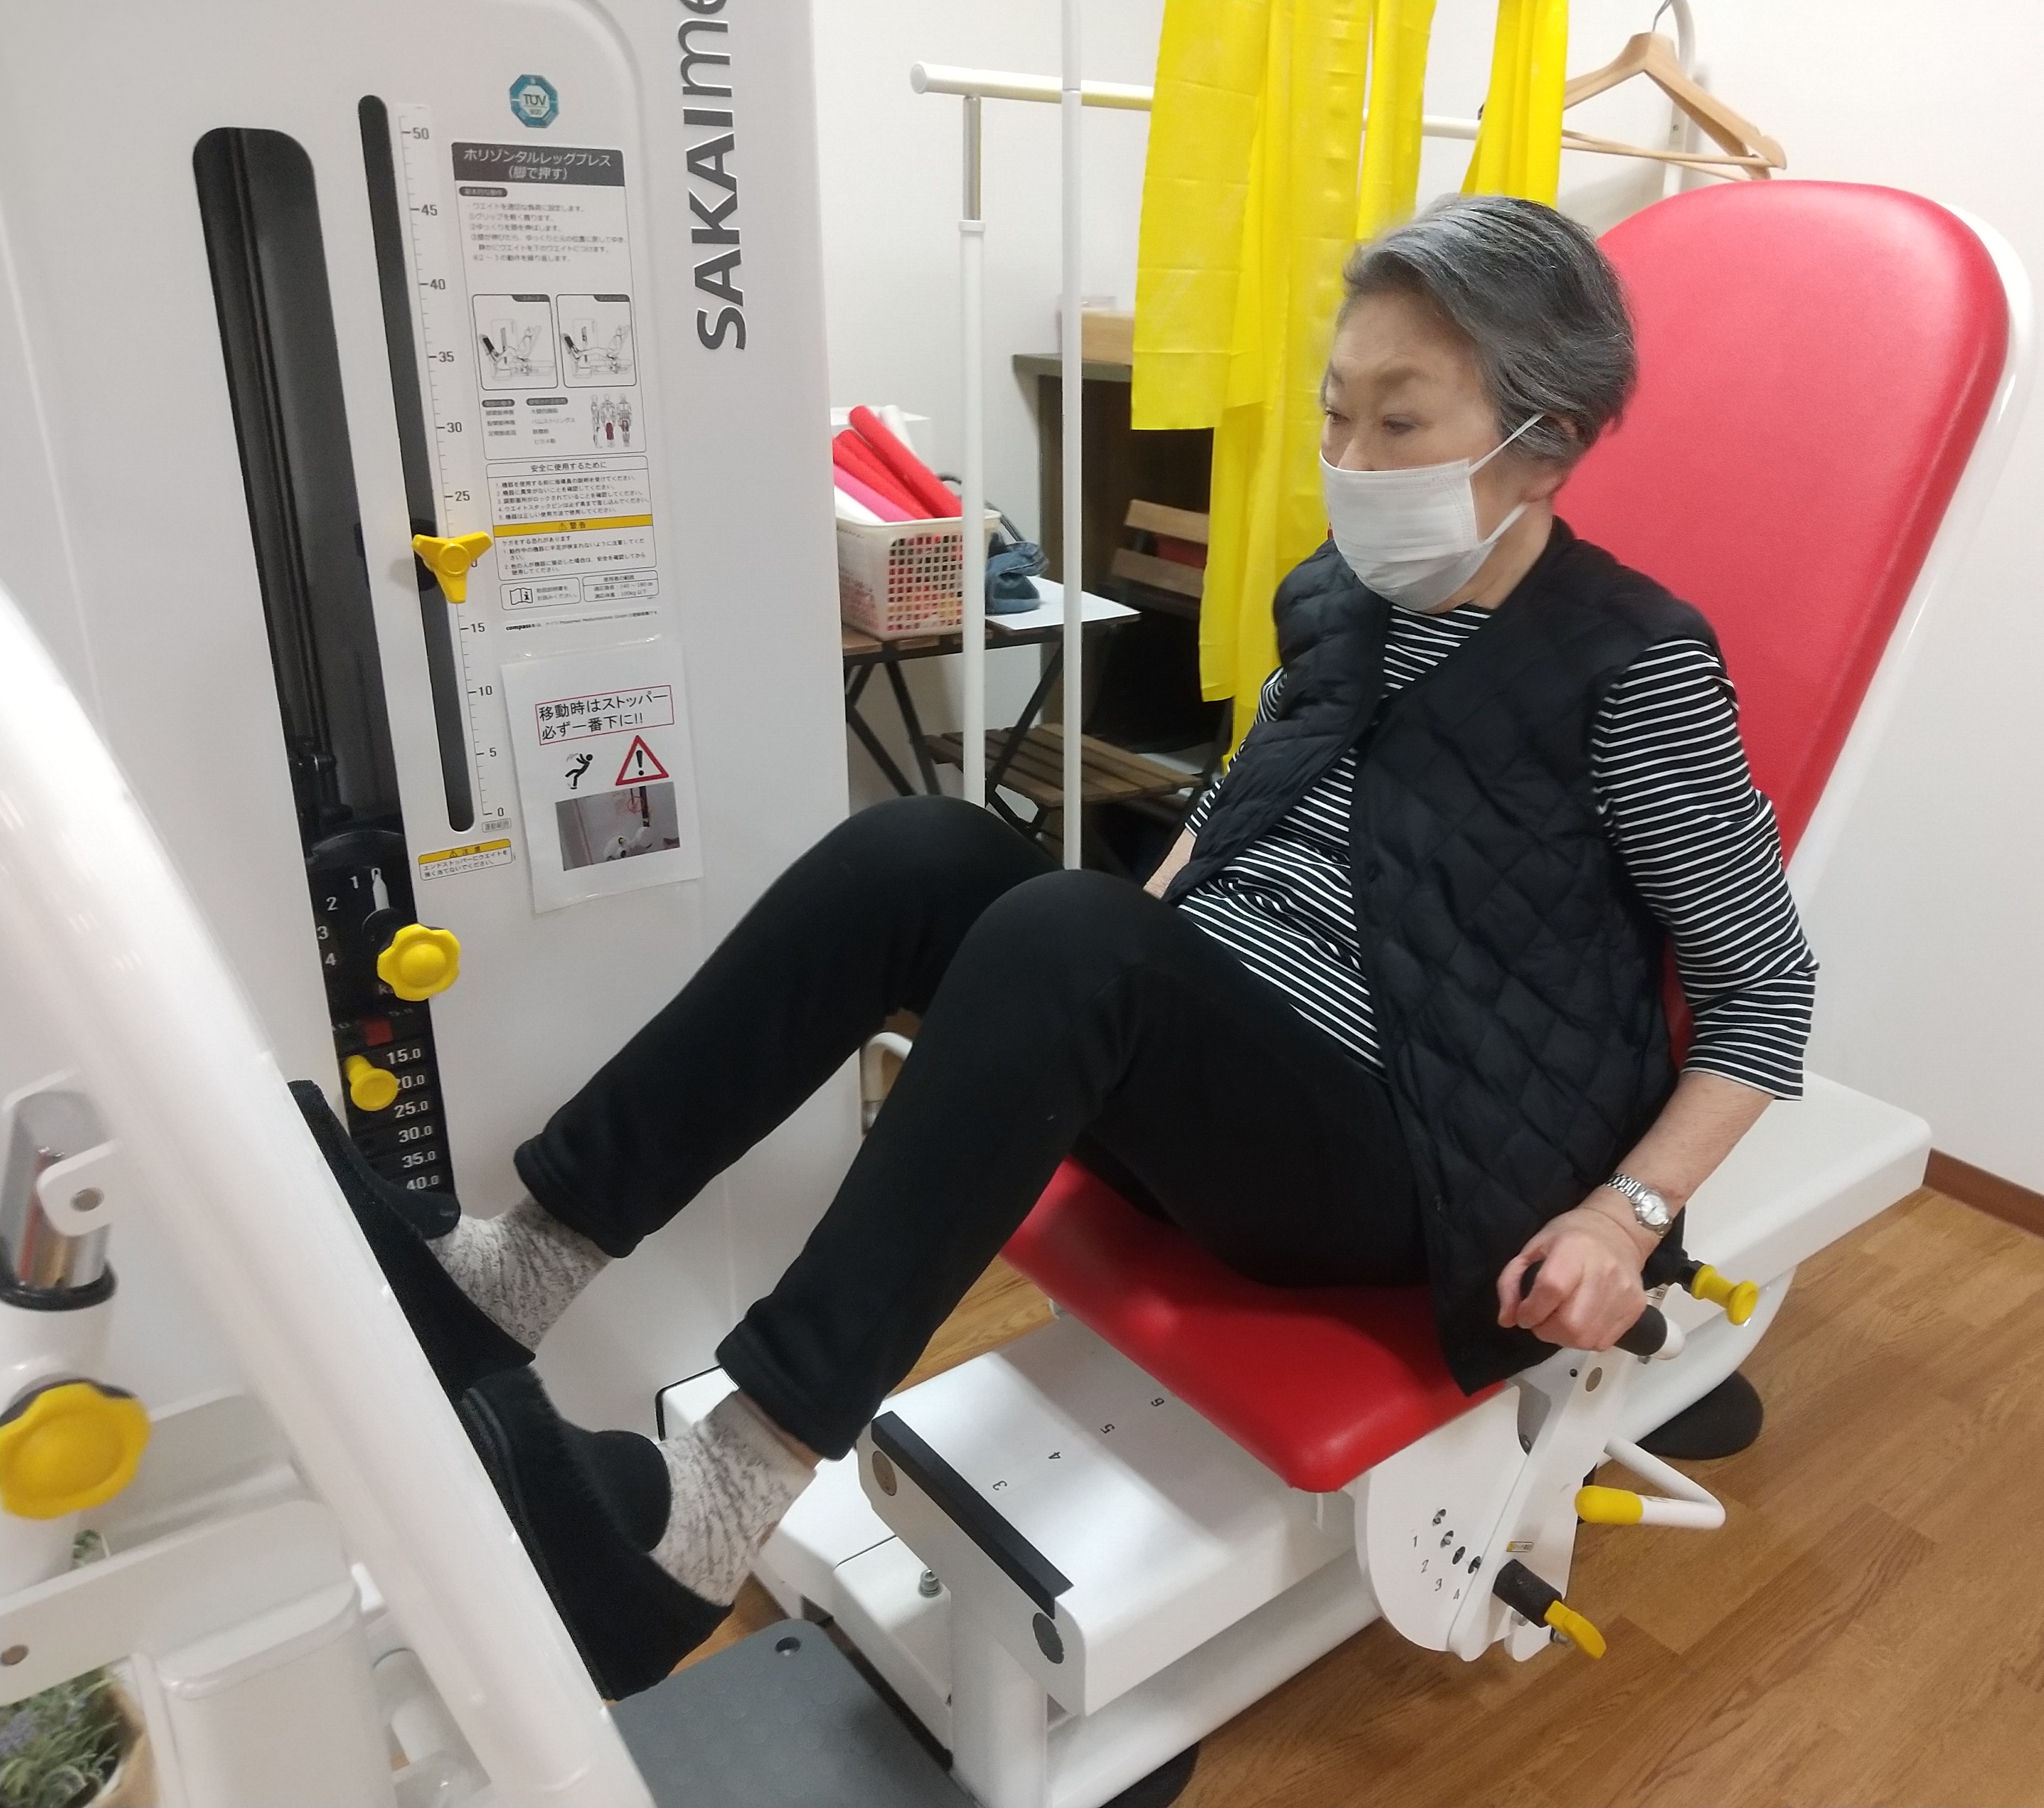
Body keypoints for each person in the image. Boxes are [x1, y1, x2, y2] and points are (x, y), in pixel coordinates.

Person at [303, 193, 1816, 1698]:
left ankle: (718, 1501)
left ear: (1545, 441)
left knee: (1071, 933)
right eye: (1334, 414)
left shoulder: (1633, 669)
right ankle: (519, 1270)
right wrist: (1108, 985)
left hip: (1417, 1159)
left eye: (1400, 423)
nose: (1349, 464)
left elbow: (1764, 990)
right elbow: (1228, 818)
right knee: (923, 851)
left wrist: (1621, 1220)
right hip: (1227, 1084)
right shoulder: (1344, 602)